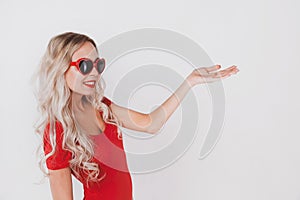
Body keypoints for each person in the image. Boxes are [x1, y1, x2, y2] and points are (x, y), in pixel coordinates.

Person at [33, 32, 239, 200]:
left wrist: (190, 81)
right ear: (61, 69)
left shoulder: (101, 107)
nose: (94, 73)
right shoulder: (57, 130)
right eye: (84, 66)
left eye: (99, 65)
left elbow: (151, 123)